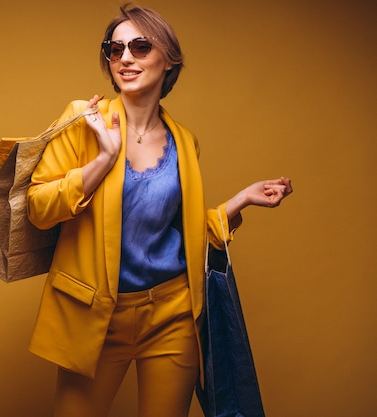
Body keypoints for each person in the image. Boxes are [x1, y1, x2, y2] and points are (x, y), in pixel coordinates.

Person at [26, 4, 293, 417]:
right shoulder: (84, 121)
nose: (125, 58)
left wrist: (240, 201)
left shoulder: (185, 141)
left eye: (140, 46)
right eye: (115, 50)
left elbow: (175, 233)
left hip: (172, 315)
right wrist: (103, 159)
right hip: (97, 315)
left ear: (168, 58)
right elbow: (39, 208)